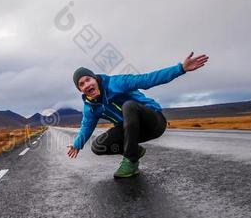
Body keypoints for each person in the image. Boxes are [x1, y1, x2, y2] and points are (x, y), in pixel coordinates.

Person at [66, 52, 209, 178]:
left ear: (95, 79)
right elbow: (86, 127)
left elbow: (148, 79)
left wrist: (180, 68)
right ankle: (134, 151)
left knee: (128, 106)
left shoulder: (116, 83)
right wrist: (77, 144)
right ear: (80, 90)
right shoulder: (90, 107)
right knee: (98, 146)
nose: (86, 84)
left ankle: (131, 160)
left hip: (153, 123)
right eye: (81, 84)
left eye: (88, 79)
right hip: (131, 130)